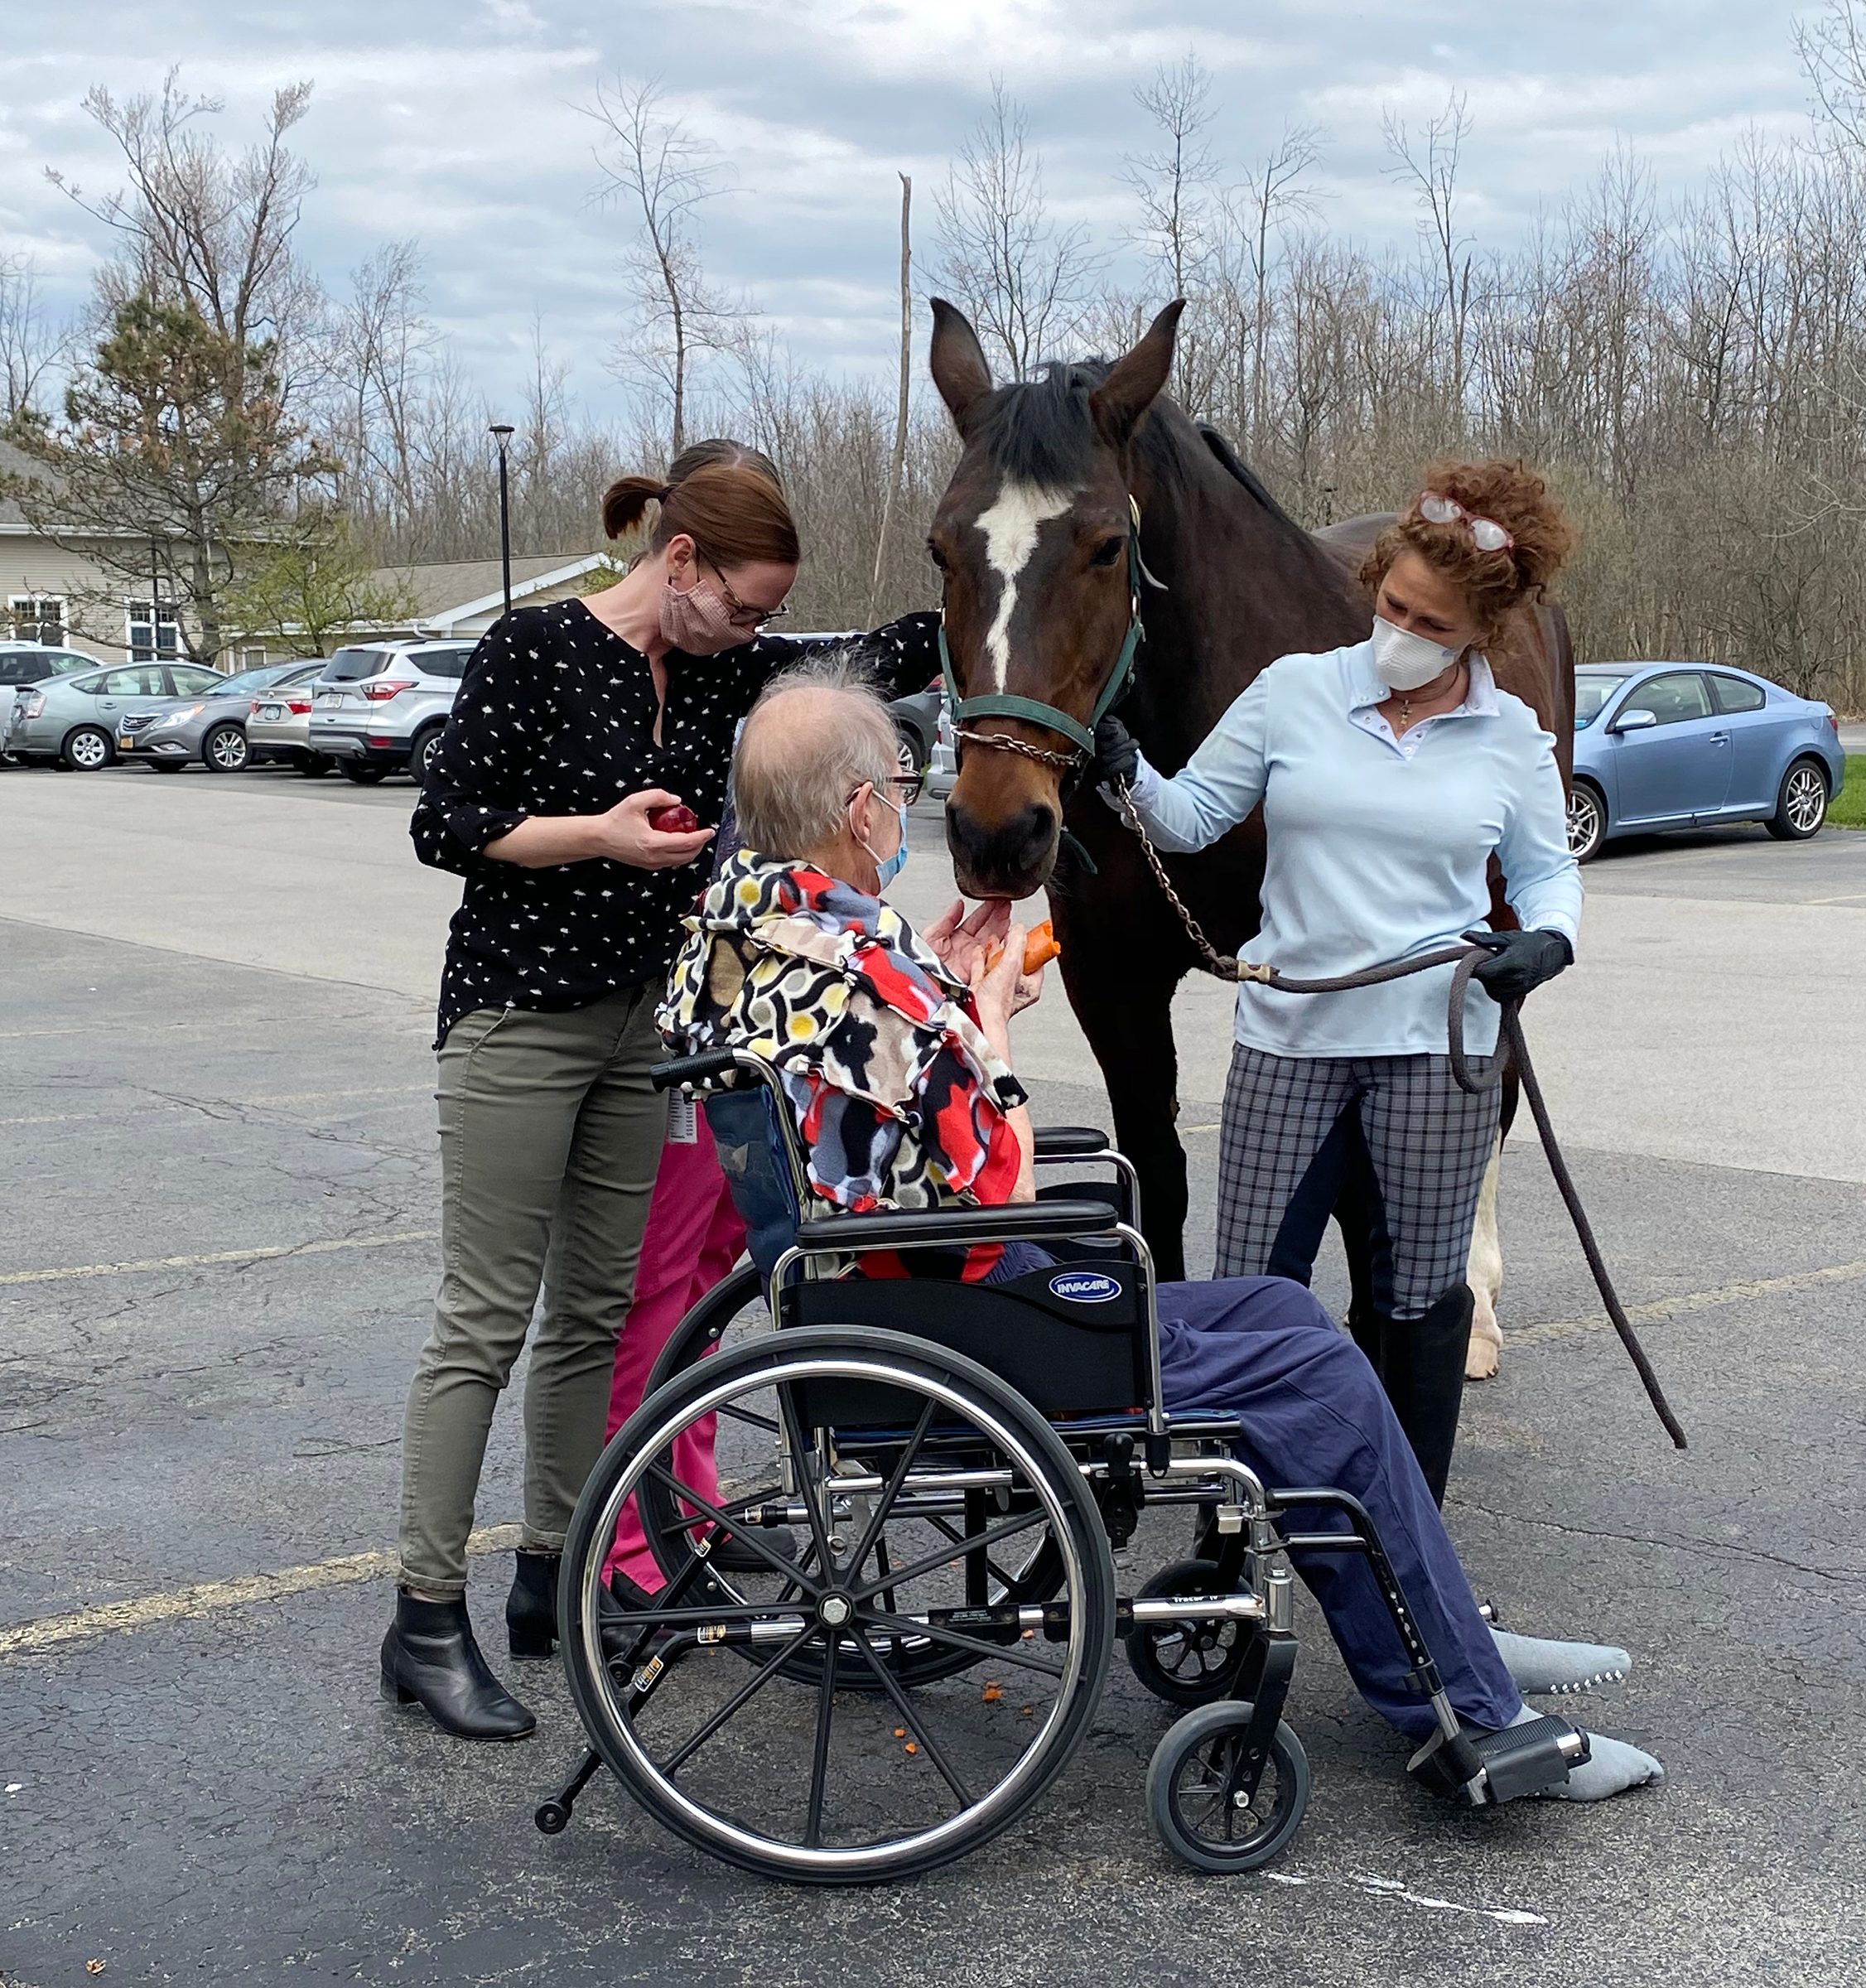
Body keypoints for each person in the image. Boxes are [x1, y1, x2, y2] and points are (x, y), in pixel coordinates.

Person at [658, 655, 1661, 1798]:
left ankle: (1448, 1637)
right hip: (959, 1315)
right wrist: (984, 1023)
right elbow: (995, 1175)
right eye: (900, 781)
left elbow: (852, 1088)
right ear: (855, 809)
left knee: (1283, 1308)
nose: (909, 801)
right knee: (1317, 1377)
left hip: (877, 1290)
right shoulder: (866, 977)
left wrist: (933, 983)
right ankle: (1466, 1705)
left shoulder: (747, 929)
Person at [382, 443, 938, 1740]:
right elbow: (447, 823)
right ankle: (421, 1618)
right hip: (520, 1021)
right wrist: (604, 836)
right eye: (742, 603)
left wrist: (992, 575)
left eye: (764, 616)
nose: (754, 630)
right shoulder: (533, 649)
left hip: (649, 1032)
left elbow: (874, 656)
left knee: (593, 1315)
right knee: (485, 1323)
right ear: (676, 561)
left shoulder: (719, 666)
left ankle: (554, 1579)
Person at [1091, 460, 1581, 1508]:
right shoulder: (1294, 693)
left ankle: (1407, 1526)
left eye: (1430, 624)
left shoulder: (1511, 741)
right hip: (1290, 1048)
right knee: (1255, 1296)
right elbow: (1189, 821)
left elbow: (1547, 873)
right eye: (1392, 602)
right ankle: (1240, 1523)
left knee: (1417, 1303)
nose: (1398, 630)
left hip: (1435, 1051)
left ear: (1477, 635)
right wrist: (1126, 768)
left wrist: (1550, 938)